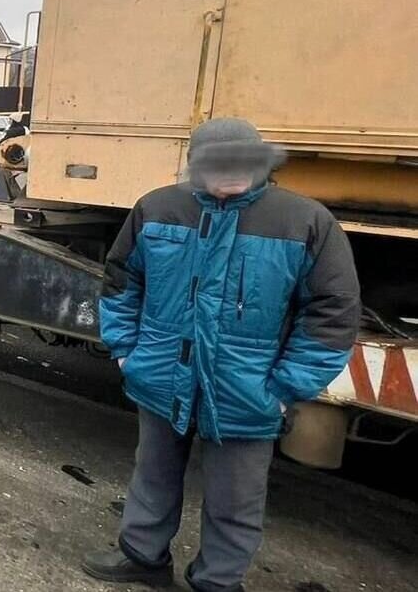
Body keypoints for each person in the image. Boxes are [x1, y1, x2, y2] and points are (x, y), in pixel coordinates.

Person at [83, 118, 360, 591]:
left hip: (248, 391)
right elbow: (121, 283)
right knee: (152, 476)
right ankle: (143, 558)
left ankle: (218, 582)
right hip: (162, 375)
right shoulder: (157, 208)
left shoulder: (306, 222)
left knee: (236, 500)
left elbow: (333, 312)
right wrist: (127, 351)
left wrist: (284, 388)